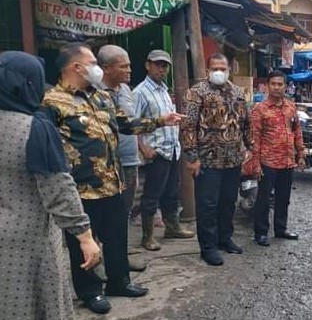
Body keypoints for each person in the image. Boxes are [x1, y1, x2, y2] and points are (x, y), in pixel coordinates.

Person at [41, 43, 183, 314]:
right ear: (76, 67)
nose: (97, 67)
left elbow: (125, 124)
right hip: (81, 189)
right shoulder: (53, 102)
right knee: (85, 243)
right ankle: (90, 291)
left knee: (117, 236)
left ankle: (119, 281)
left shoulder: (99, 97)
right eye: (93, 62)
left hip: (112, 182)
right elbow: (50, 149)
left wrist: (161, 120)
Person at [0, 51, 101, 320]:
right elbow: (57, 188)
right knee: (23, 312)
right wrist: (84, 235)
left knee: (3, 312)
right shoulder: (33, 127)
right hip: (24, 238)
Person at [182, 54, 251, 266]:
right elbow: (188, 126)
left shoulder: (237, 92)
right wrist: (192, 157)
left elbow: (245, 122)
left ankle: (224, 239)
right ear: (208, 70)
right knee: (207, 205)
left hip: (232, 159)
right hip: (207, 160)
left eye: (223, 68)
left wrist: (249, 147)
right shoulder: (196, 92)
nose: (219, 72)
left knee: (228, 202)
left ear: (229, 69)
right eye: (215, 68)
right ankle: (208, 247)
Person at [133, 49, 194, 251]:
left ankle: (172, 227)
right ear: (148, 65)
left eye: (165, 65)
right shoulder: (141, 92)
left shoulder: (163, 90)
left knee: (171, 192)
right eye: (158, 64)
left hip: (172, 149)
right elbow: (132, 124)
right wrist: (143, 147)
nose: (162, 69)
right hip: (156, 151)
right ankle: (147, 236)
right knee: (152, 195)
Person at [97, 45, 146, 272]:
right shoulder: (93, 92)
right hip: (105, 163)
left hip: (128, 160)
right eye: (123, 65)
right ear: (106, 68)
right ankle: (98, 259)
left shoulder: (125, 89)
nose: (129, 70)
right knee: (103, 214)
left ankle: (120, 258)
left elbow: (132, 123)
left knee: (123, 212)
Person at [251, 70, 306, 247]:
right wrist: (256, 163)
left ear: (285, 86)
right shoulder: (260, 109)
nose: (276, 87)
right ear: (267, 86)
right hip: (268, 162)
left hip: (287, 161)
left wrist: (301, 154)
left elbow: (297, 131)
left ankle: (281, 229)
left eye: (280, 84)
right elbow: (255, 137)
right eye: (273, 84)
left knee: (284, 198)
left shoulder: (291, 107)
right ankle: (261, 232)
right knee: (264, 199)